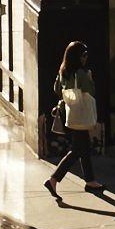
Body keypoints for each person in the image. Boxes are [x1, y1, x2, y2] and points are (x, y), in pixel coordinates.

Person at [43, 42, 100, 198]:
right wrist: (89, 78)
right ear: (78, 57)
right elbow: (91, 90)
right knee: (76, 150)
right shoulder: (81, 74)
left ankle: (90, 180)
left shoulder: (63, 72)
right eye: (84, 55)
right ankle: (53, 179)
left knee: (84, 147)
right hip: (80, 115)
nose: (86, 58)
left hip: (69, 113)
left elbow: (56, 90)